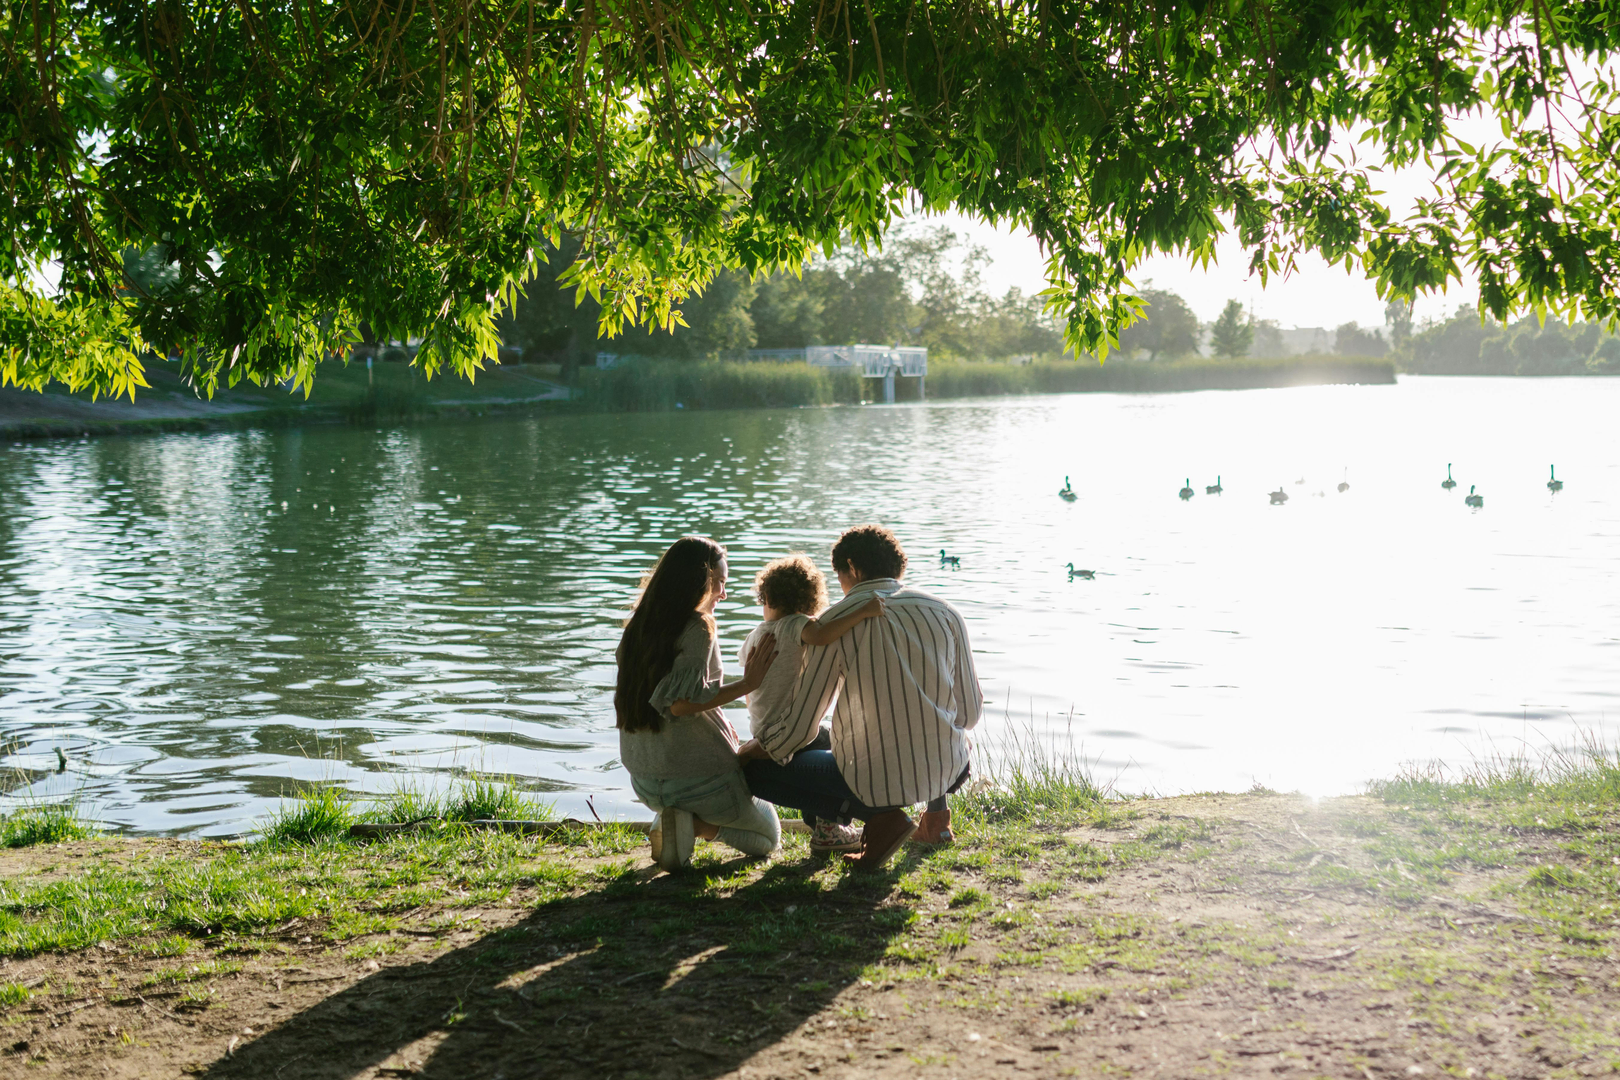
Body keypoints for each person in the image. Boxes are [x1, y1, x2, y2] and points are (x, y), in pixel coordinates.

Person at [741, 524, 982, 870]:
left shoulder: (835, 621)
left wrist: (751, 750)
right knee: (929, 718)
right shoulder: (945, 611)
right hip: (952, 769)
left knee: (758, 772)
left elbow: (799, 727)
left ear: (852, 568)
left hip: (875, 782)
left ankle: (879, 817)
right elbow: (969, 715)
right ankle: (936, 820)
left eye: (840, 576)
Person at [615, 536, 782, 871]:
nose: (724, 593)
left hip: (644, 780)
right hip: (697, 781)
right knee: (770, 837)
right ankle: (693, 826)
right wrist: (749, 683)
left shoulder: (638, 626)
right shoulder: (699, 627)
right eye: (720, 583)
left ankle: (674, 821)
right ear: (699, 582)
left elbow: (671, 700)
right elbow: (679, 704)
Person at [737, 554, 884, 854]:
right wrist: (863, 611)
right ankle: (828, 828)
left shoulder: (755, 635)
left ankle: (824, 825)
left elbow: (750, 691)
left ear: (768, 598)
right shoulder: (796, 625)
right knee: (829, 740)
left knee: (823, 738)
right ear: (809, 600)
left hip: (762, 726)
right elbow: (821, 634)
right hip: (787, 731)